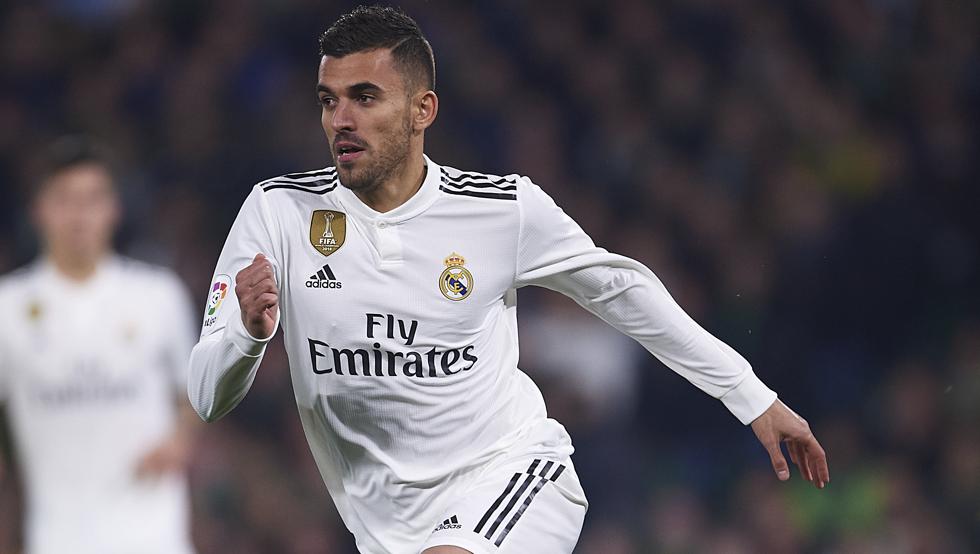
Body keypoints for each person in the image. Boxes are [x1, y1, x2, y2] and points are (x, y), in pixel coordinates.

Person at [188, 6, 830, 554]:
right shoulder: (278, 213)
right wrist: (247, 335)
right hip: (387, 530)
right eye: (328, 101)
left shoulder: (502, 209)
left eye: (365, 97)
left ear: (422, 110)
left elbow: (619, 290)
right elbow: (205, 396)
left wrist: (750, 395)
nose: (340, 120)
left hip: (513, 476)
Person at [0, 137, 198, 554]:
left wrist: (180, 439)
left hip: (155, 537)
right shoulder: (9, 309)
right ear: (38, 211)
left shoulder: (158, 295)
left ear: (114, 209)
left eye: (93, 198)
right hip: (58, 538)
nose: (80, 215)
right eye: (64, 199)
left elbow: (195, 395)